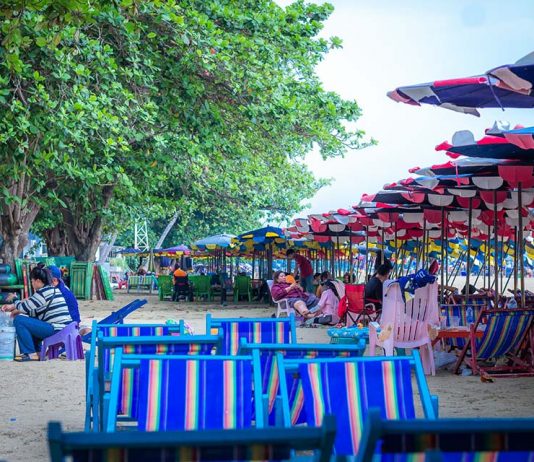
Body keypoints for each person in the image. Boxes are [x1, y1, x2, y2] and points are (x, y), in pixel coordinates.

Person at [1, 265, 72, 361]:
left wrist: (13, 304)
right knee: (31, 321)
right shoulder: (53, 290)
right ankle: (37, 352)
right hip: (65, 328)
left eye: (32, 281)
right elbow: (35, 311)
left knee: (19, 320)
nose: (32, 283)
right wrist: (18, 309)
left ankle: (30, 353)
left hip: (56, 329)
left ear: (38, 281)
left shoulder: (43, 292)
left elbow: (25, 306)